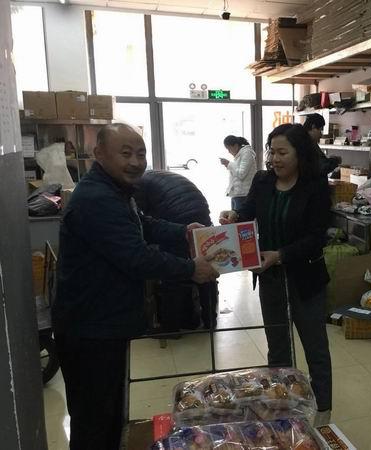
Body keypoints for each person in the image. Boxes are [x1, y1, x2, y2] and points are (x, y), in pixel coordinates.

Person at [52, 123, 219, 450]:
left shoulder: (114, 190)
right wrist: (191, 269)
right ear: (99, 154)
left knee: (109, 414)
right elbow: (136, 257)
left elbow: (143, 225)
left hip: (103, 323)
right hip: (90, 329)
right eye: (125, 153)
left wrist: (183, 231)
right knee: (94, 422)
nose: (135, 162)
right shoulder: (97, 198)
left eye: (140, 154)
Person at [219, 123, 332, 425]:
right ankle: (283, 406)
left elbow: (316, 237)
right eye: (272, 152)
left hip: (305, 278)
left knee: (315, 346)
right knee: (278, 345)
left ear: (300, 153)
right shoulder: (263, 180)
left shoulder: (316, 186)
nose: (275, 159)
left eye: (283, 152)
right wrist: (234, 216)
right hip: (269, 277)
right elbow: (248, 211)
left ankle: (323, 411)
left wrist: (280, 255)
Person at [135, 170, 218, 331]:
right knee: (206, 268)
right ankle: (210, 321)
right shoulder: (155, 175)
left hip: (177, 216)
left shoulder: (137, 184)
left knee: (173, 277)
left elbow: (143, 221)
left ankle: (171, 327)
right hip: (200, 212)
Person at [220, 135, 257, 210]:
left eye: (229, 148)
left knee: (240, 217)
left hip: (244, 195)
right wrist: (228, 165)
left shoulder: (247, 153)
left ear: (236, 145)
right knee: (234, 216)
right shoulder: (239, 155)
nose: (229, 151)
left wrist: (229, 164)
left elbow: (241, 174)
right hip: (237, 194)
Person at [303, 113, 341, 177]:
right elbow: (322, 167)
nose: (321, 135)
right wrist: (335, 161)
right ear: (313, 127)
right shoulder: (306, 143)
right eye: (320, 130)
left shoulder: (308, 141)